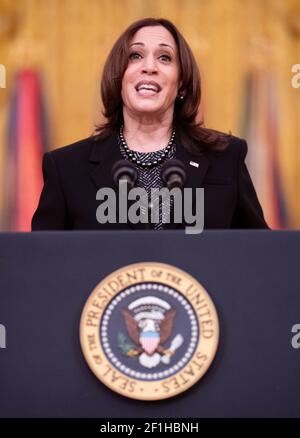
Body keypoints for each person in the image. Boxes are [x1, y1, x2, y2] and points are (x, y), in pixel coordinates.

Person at [31, 17, 268, 231]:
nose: (149, 67)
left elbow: (259, 255)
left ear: (182, 84)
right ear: (118, 77)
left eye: (165, 58)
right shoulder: (66, 168)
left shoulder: (226, 158)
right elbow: (44, 263)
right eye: (135, 56)